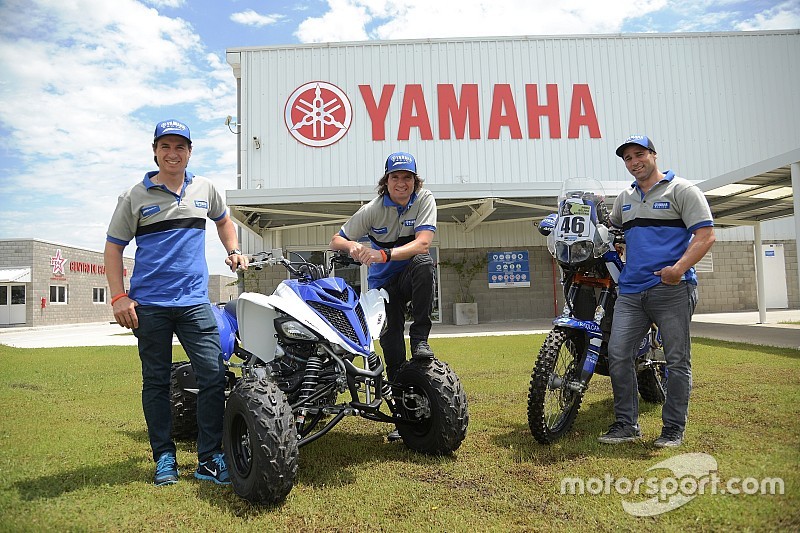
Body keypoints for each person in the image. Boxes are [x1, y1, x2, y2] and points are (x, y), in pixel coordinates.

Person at [104, 119, 248, 486]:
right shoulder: (134, 196)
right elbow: (114, 247)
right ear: (155, 151)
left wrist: (233, 250)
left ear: (189, 151)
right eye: (165, 146)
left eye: (180, 147)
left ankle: (209, 458)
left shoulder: (205, 189)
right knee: (155, 381)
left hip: (195, 301)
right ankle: (164, 457)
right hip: (149, 305)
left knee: (214, 375)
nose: (173, 153)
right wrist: (119, 297)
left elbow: (224, 221)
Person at [598, 135, 715, 448]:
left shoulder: (683, 190)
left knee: (677, 361)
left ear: (653, 155)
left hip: (672, 289)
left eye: (640, 155)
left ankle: (672, 429)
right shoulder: (625, 197)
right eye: (628, 159)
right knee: (618, 355)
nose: (634, 162)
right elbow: (614, 231)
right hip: (631, 292)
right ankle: (626, 425)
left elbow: (705, 235)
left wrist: (677, 269)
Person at [329, 151, 437, 421]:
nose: (402, 183)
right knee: (393, 352)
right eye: (396, 177)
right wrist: (354, 246)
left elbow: (423, 243)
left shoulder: (424, 199)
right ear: (386, 181)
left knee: (424, 262)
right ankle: (404, 419)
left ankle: (421, 338)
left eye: (408, 177)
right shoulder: (372, 209)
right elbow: (336, 240)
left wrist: (384, 255)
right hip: (383, 286)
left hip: (409, 273)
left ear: (416, 181)